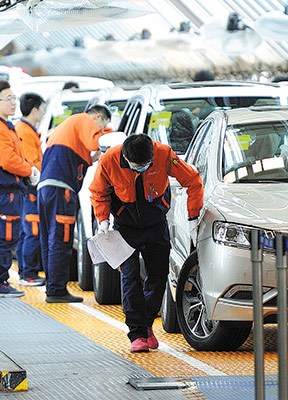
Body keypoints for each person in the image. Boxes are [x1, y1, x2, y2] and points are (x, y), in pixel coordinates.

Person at [89, 134, 203, 353]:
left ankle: (147, 323)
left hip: (155, 222)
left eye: (146, 165)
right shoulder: (109, 160)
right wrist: (103, 219)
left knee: (158, 277)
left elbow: (193, 180)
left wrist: (193, 216)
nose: (141, 169)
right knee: (129, 276)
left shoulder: (164, 154)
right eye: (136, 166)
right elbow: (98, 192)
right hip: (125, 225)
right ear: (125, 156)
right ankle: (137, 333)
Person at [38, 104, 112, 303]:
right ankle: (56, 290)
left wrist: (93, 158)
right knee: (61, 239)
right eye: (103, 125)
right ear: (97, 117)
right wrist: (110, 137)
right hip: (61, 189)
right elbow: (97, 142)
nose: (101, 130)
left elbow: (84, 153)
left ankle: (53, 288)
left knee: (50, 239)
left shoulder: (68, 127)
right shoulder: (84, 119)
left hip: (47, 188)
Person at [0, 81, 39, 298]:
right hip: (6, 192)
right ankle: (1, 281)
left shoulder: (8, 126)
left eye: (14, 98)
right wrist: (29, 170)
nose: (13, 103)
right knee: (5, 237)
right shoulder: (1, 128)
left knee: (9, 236)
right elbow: (8, 160)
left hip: (12, 191)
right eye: (8, 99)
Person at [15, 92, 46, 286]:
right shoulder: (24, 132)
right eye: (42, 110)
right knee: (32, 230)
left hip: (28, 187)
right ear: (34, 110)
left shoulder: (25, 129)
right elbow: (31, 162)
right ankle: (28, 273)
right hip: (31, 187)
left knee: (26, 231)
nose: (42, 114)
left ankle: (25, 271)